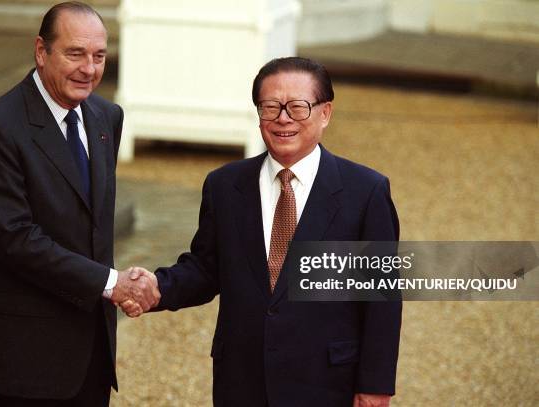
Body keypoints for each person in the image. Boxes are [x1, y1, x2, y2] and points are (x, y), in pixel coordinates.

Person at [124, 57, 402, 406]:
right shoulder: (225, 186)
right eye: (270, 107)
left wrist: (375, 385)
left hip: (328, 383)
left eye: (298, 107)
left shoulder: (365, 192)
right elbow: (206, 268)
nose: (283, 118)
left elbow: (382, 299)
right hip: (242, 381)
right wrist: (156, 288)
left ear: (325, 112)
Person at [0, 2, 158, 405]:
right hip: (18, 358)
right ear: (41, 52)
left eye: (99, 56)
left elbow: (90, 225)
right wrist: (113, 283)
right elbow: (15, 239)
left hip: (91, 353)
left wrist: (124, 285)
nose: (89, 69)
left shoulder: (106, 117)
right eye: (75, 53)